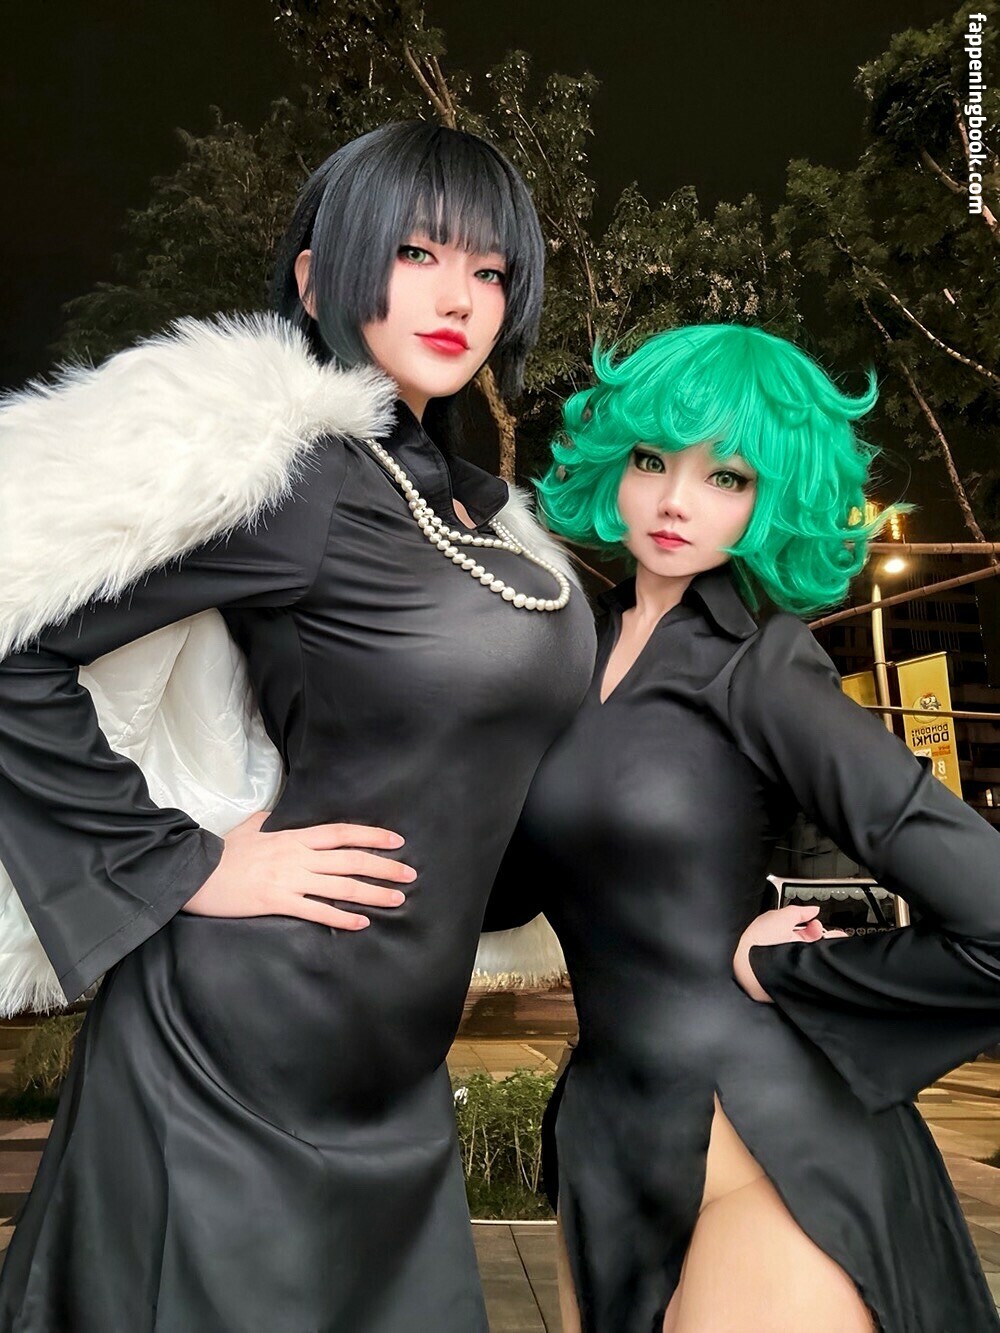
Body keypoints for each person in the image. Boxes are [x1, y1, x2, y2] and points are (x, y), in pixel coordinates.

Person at [0, 121, 596, 1331]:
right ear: (320, 279)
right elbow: (20, 642)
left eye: (488, 270)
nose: (458, 297)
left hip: (394, 1067)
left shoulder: (478, 518)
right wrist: (183, 861)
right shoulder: (298, 479)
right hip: (236, 1053)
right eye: (417, 253)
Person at [487, 323, 1000, 1332]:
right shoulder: (565, 651)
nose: (675, 500)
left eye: (726, 476)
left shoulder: (760, 666)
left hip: (768, 1145)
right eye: (651, 460)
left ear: (774, 498)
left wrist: (791, 965)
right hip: (607, 1145)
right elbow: (504, 892)